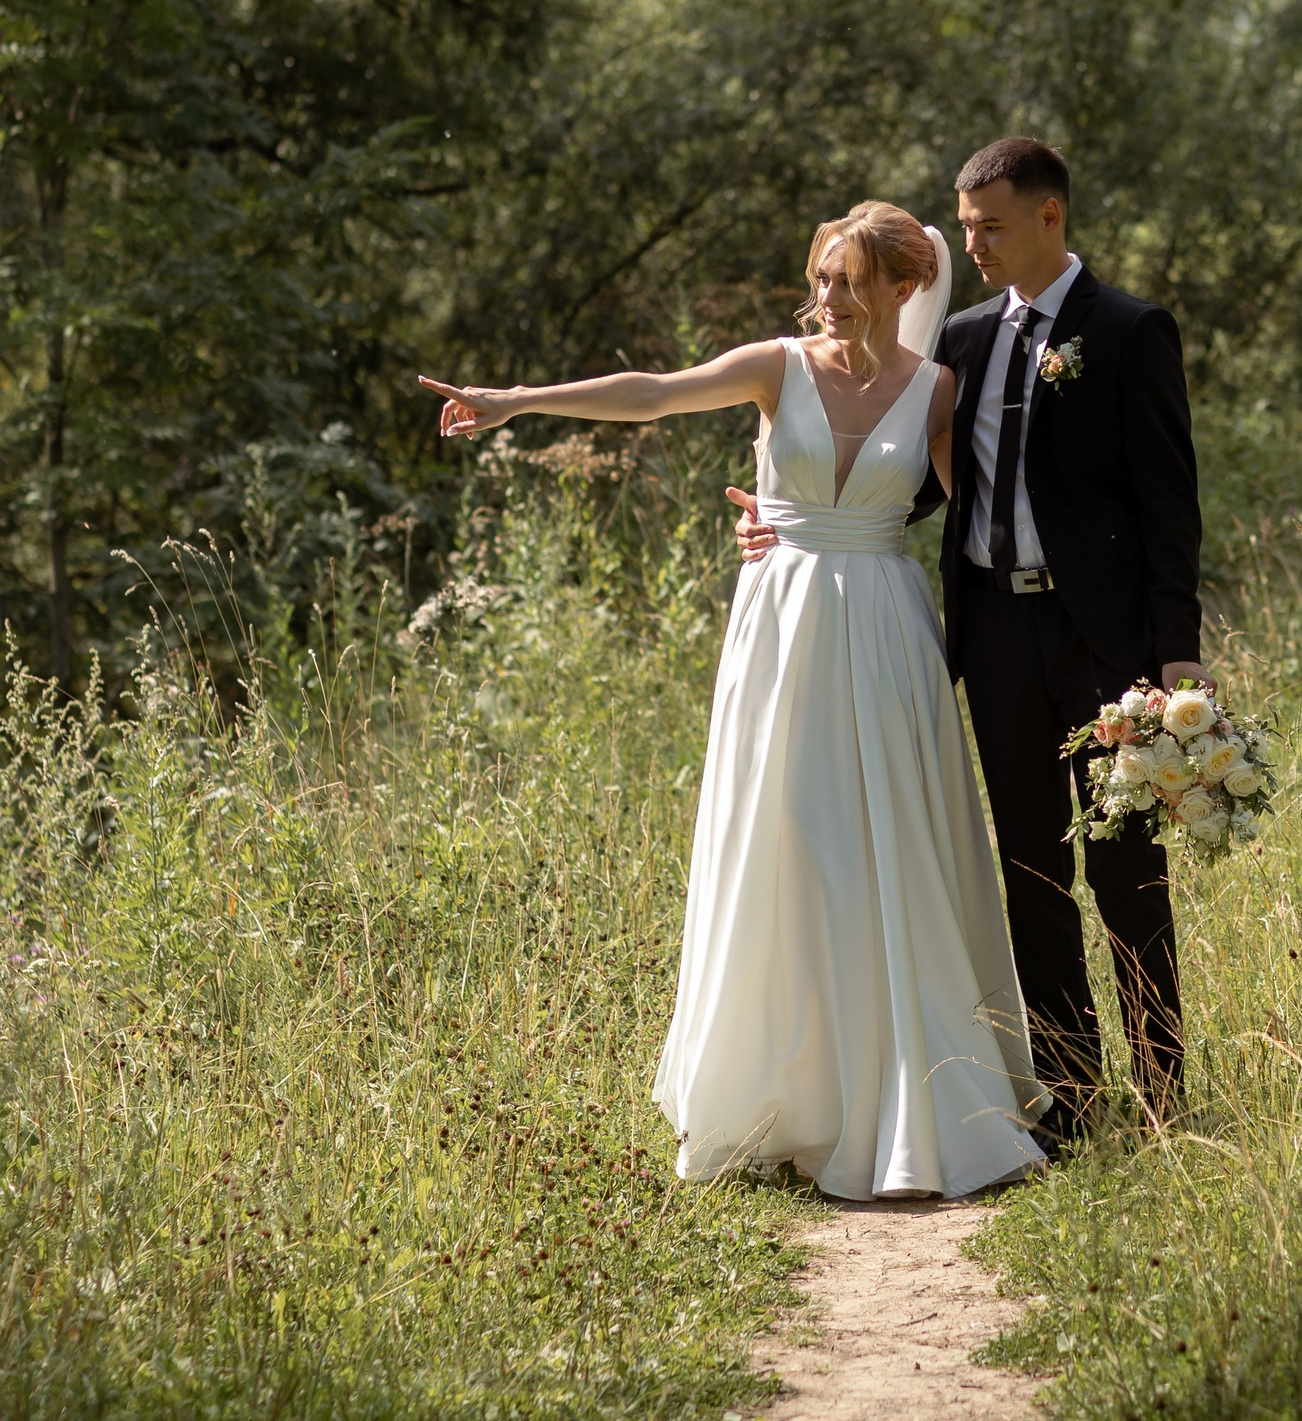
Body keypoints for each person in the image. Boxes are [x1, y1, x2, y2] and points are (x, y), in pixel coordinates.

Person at [418, 200, 1049, 1201]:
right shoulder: (776, 367)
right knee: (788, 837)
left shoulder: (936, 390)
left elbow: (984, 510)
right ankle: (781, 1093)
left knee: (888, 843)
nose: (829, 297)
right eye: (822, 277)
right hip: (783, 627)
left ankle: (907, 1094)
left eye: (850, 281)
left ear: (902, 288)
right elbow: (655, 393)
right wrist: (516, 400)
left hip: (888, 630)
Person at [733, 138, 1204, 1142]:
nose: (972, 244)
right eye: (966, 225)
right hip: (993, 639)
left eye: (989, 225)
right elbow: (907, 478)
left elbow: (1170, 505)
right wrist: (787, 520)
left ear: (1048, 216)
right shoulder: (963, 339)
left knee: (1126, 871)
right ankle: (1069, 1100)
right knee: (1031, 872)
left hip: (1105, 649)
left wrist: (1177, 657)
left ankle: (1165, 1098)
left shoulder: (1128, 331)